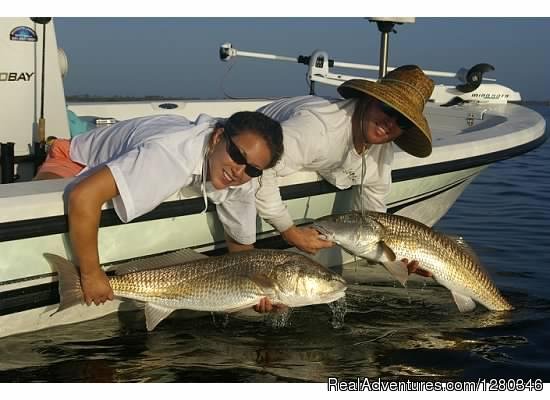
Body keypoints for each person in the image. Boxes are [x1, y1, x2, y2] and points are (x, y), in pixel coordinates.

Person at [35, 111, 284, 306]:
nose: (239, 171)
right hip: (73, 160)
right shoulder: (170, 157)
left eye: (252, 169)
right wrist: (90, 274)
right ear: (218, 137)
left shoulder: (240, 178)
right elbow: (83, 196)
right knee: (43, 207)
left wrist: (264, 293)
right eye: (237, 155)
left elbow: (241, 253)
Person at [255, 65, 434, 298]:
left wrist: (392, 260)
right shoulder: (318, 127)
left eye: (402, 121)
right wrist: (289, 231)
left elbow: (373, 217)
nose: (390, 122)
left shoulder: (381, 151)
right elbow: (257, 166)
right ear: (370, 100)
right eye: (387, 108)